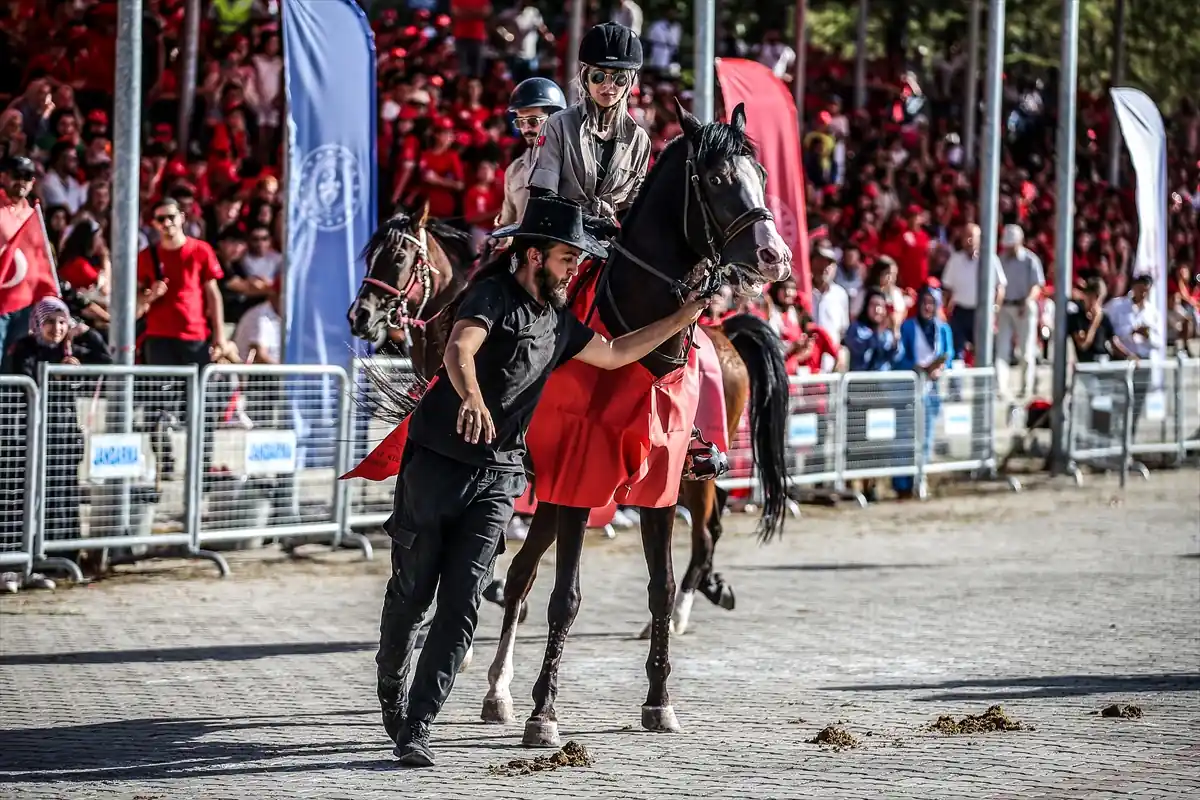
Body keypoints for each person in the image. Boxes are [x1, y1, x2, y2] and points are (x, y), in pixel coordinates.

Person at [376, 195, 708, 767]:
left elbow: (617, 353)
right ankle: (391, 683)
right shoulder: (488, 296)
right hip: (436, 464)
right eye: (565, 258)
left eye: (577, 260)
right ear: (532, 256)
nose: (574, 268)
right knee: (413, 593)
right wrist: (473, 399)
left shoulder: (560, 324)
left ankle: (419, 726)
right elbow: (460, 350)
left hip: (498, 476)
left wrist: (685, 316)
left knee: (461, 606)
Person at [527, 22, 651, 229]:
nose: (608, 86)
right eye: (599, 76)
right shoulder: (557, 125)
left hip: (611, 243)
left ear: (630, 83)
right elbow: (542, 197)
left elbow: (634, 211)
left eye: (619, 78)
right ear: (585, 78)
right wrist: (587, 222)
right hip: (560, 235)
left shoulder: (639, 141)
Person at [844, 289, 907, 502]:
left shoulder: (888, 331)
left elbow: (896, 354)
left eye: (881, 306)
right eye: (874, 305)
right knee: (858, 441)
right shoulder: (857, 329)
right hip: (859, 393)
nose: (878, 310)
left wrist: (895, 332)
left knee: (878, 440)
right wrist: (880, 333)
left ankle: (873, 484)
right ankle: (855, 484)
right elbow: (861, 348)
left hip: (881, 392)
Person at [895, 284, 955, 498]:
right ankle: (902, 484)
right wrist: (916, 368)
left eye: (932, 303)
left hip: (931, 391)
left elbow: (949, 355)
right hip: (909, 390)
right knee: (905, 438)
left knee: (926, 436)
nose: (927, 307)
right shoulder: (908, 327)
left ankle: (921, 479)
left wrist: (940, 367)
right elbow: (901, 356)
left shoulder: (943, 329)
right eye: (925, 302)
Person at [497, 77, 568, 228]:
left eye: (533, 121)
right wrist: (494, 239)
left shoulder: (575, 162)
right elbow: (507, 222)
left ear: (555, 119)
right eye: (520, 122)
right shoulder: (514, 170)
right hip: (526, 249)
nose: (526, 129)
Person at [941, 223, 1007, 359]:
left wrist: (995, 309)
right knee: (956, 352)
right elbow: (947, 289)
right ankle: (957, 380)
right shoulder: (955, 260)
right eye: (966, 237)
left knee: (984, 352)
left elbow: (1000, 286)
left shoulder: (989, 259)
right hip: (960, 312)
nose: (969, 241)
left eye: (972, 237)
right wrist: (944, 311)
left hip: (981, 311)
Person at [996, 224, 1045, 400]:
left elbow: (1037, 285)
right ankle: (1001, 388)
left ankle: (1026, 387)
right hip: (1005, 306)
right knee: (1002, 349)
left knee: (1025, 351)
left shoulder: (1030, 260)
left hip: (1025, 306)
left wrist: (1028, 301)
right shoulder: (1000, 259)